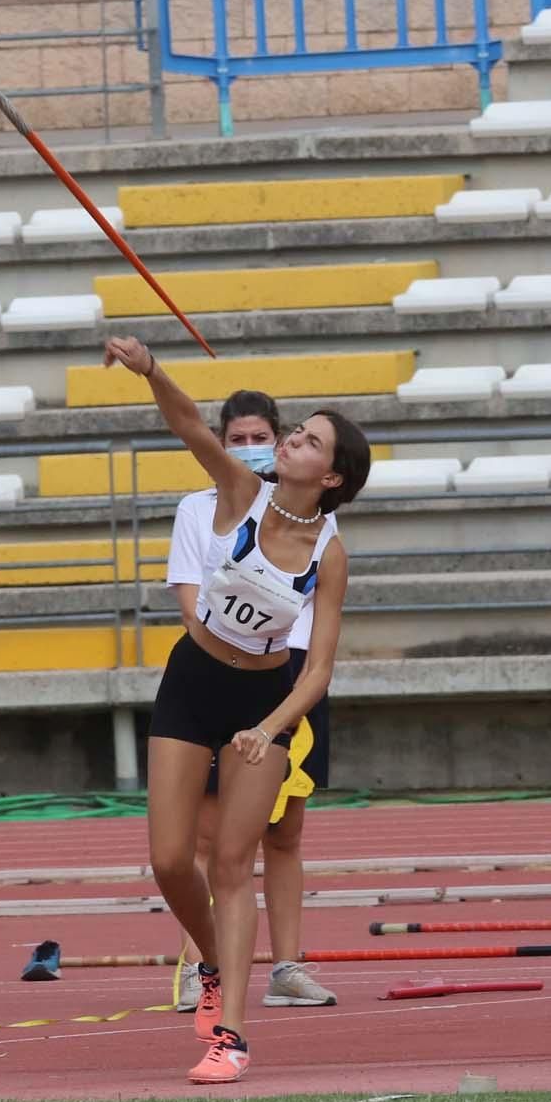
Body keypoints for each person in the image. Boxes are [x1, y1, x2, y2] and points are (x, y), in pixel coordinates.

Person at [103, 335, 369, 1084]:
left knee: (231, 863)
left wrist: (270, 726)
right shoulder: (239, 495)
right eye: (295, 430)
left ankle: (232, 1036)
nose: (291, 440)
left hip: (261, 700)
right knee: (166, 858)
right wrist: (151, 370)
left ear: (332, 473)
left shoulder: (330, 553)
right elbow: (189, 423)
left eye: (309, 439)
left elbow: (317, 668)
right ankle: (214, 961)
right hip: (192, 681)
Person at [167, 389, 337, 1014]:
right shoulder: (200, 508)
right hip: (219, 666)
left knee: (285, 831)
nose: (250, 448)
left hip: (289, 678)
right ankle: (198, 965)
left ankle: (287, 967)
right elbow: (189, 597)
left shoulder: (320, 523)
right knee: (210, 839)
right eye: (235, 438)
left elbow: (320, 611)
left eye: (260, 436)